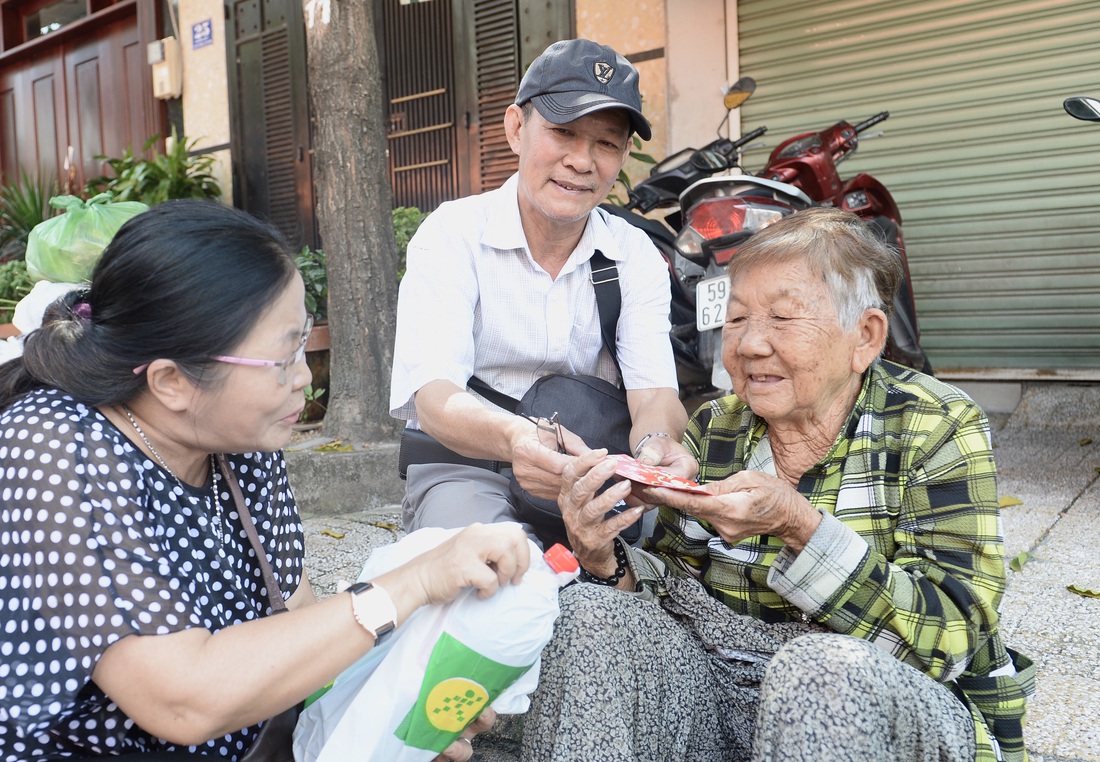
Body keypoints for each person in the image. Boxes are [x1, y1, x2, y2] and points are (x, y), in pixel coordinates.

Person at [0, 200, 530, 761]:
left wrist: (390, 695)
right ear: (172, 381)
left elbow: (295, 614)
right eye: (282, 358)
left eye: (303, 342)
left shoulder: (237, 441)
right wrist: (415, 582)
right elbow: (182, 700)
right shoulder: (50, 451)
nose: (303, 377)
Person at [523, 207, 1031, 761]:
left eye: (783, 319)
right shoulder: (718, 427)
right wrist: (603, 557)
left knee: (817, 670)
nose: (749, 345)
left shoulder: (935, 425)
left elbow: (954, 635)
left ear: (865, 336)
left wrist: (800, 527)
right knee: (588, 616)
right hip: (725, 688)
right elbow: (666, 597)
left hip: (887, 702)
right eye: (737, 319)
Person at [389, 38, 694, 541]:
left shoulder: (633, 252)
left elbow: (654, 392)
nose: (582, 161)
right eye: (563, 132)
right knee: (487, 572)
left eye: (606, 143)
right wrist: (515, 438)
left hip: (587, 471)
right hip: (467, 463)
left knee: (629, 587)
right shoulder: (454, 235)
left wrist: (657, 445)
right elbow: (435, 397)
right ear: (516, 128)